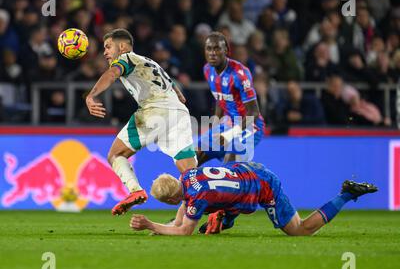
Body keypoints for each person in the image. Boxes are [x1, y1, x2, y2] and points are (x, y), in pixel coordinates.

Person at [85, 28, 197, 216]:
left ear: (121, 46)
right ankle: (216, 207)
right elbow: (178, 92)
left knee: (115, 155)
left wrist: (91, 96)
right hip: (179, 113)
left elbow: (112, 74)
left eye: (108, 47)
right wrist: (176, 94)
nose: (105, 52)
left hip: (155, 111)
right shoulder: (149, 61)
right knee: (191, 174)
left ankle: (135, 190)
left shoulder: (126, 58)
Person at [130, 162, 377, 236]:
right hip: (246, 172)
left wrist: (152, 225)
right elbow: (179, 218)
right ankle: (225, 217)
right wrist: (164, 229)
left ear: (172, 199)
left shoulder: (196, 197)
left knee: (300, 230)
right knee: (214, 214)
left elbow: (184, 230)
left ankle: (346, 194)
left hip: (262, 186)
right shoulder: (186, 177)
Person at [197, 32, 266, 166]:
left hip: (251, 126)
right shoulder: (207, 70)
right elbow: (220, 98)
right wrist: (215, 126)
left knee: (230, 166)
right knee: (193, 155)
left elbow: (254, 113)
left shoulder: (240, 74)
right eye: (209, 49)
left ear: (226, 50)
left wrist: (229, 135)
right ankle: (187, 186)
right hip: (228, 123)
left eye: (217, 48)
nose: (212, 53)